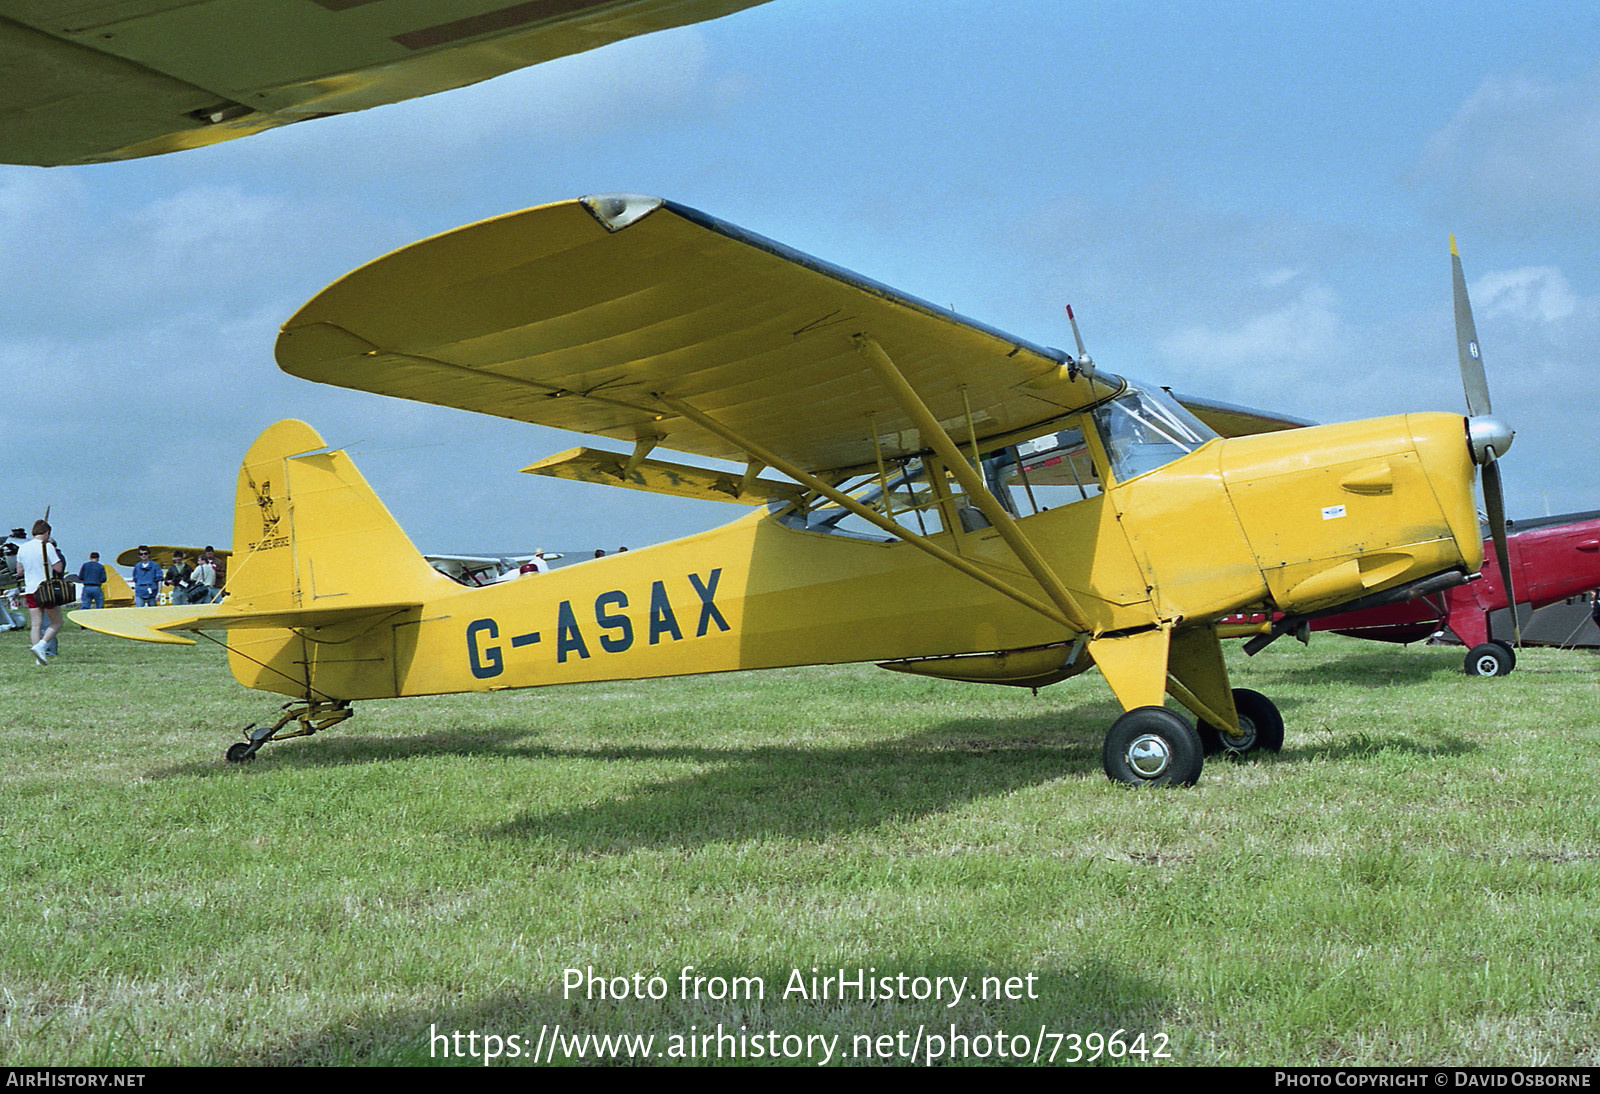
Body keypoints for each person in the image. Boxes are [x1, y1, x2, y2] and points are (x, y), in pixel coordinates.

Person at [14, 519, 64, 665]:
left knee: (36, 625)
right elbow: (58, 568)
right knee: (56, 622)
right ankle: (42, 645)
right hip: (45, 589)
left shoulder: (22, 548)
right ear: (47, 532)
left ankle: (38, 657)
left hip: (30, 590)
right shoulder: (47, 546)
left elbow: (19, 571)